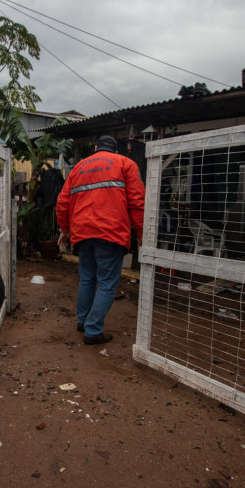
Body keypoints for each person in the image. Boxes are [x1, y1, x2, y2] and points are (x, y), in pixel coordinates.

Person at [56, 135, 145, 344]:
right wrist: (142, 233)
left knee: (87, 279)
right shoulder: (126, 164)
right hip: (111, 234)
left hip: (82, 234)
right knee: (106, 284)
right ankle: (93, 331)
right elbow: (137, 202)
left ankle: (83, 321)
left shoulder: (78, 167)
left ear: (95, 147)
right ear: (114, 150)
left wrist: (65, 229)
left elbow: (62, 201)